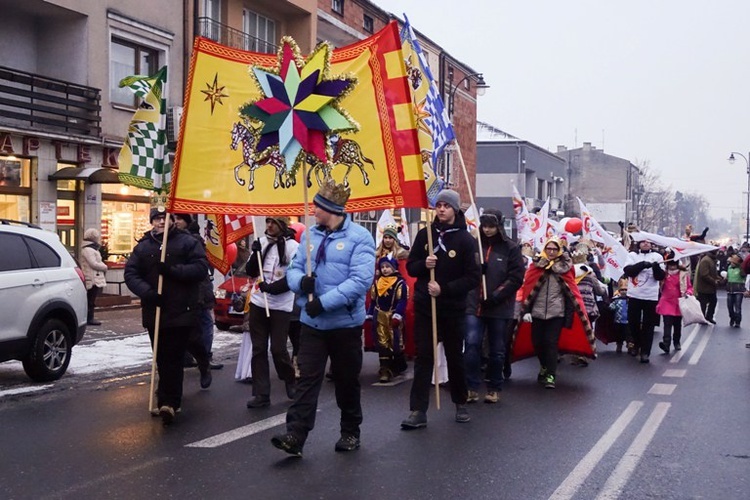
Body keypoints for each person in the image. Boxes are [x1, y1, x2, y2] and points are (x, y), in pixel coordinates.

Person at [271, 179, 375, 457]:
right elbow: (293, 269)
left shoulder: (361, 237)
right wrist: (300, 284)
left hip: (345, 326)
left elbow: (360, 281)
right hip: (312, 324)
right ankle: (296, 434)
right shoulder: (309, 236)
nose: (312, 210)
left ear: (331, 209)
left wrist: (324, 304)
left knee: (346, 381)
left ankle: (350, 431)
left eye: (317, 206)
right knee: (306, 379)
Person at [400, 189, 481, 429]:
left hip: (453, 308)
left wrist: (444, 289)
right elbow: (412, 267)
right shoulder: (425, 235)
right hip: (426, 306)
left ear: (455, 209)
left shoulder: (466, 240)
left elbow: (473, 277)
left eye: (446, 206)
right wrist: (424, 265)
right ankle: (417, 410)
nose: (442, 209)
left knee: (455, 356)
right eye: (439, 205)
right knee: (424, 357)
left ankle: (460, 402)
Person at [124, 208, 210, 425]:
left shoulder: (188, 242)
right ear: (152, 221)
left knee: (173, 356)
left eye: (165, 217)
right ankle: (168, 398)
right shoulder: (144, 246)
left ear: (173, 220)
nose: (161, 222)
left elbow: (200, 268)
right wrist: (148, 293)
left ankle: (169, 402)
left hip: (181, 310)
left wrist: (173, 271)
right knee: (160, 357)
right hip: (155, 311)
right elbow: (131, 273)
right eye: (157, 218)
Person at [514, 237, 594, 388]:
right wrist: (526, 310)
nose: (551, 252)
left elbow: (571, 293)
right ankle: (544, 366)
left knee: (551, 343)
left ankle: (551, 374)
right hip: (536, 313)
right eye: (549, 249)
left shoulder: (565, 268)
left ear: (559, 251)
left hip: (556, 313)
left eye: (554, 249)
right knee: (537, 343)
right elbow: (528, 289)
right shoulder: (536, 266)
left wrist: (569, 316)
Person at [464, 209, 524, 404]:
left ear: (499, 226)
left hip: (499, 307)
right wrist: (474, 270)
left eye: (492, 226)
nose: (488, 230)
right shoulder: (474, 245)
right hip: (474, 305)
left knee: (497, 349)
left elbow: (516, 278)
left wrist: (496, 295)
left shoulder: (511, 248)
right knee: (472, 344)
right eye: (485, 226)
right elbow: (463, 272)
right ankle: (471, 386)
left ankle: (494, 387)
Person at [244, 216, 299, 409]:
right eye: (267, 222)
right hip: (259, 302)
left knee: (278, 349)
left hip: (281, 305)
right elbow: (250, 271)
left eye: (273, 222)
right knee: (259, 349)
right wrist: (255, 255)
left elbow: (293, 277)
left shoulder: (293, 247)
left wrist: (273, 288)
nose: (269, 226)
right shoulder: (261, 242)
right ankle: (261, 394)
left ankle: (290, 379)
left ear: (282, 225)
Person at [172, 213, 218, 387]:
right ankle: (169, 392)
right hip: (171, 299)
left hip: (194, 295)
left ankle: (203, 360)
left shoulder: (193, 242)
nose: (176, 222)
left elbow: (199, 270)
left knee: (195, 332)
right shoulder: (161, 241)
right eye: (173, 218)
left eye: (180, 219)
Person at [366, 256, 409, 382]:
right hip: (380, 316)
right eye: (382, 267)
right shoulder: (377, 283)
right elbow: (373, 301)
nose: (385, 270)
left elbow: (402, 301)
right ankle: (384, 369)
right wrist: (369, 314)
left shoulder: (400, 283)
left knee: (396, 342)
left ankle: (398, 364)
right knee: (382, 342)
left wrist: (398, 315)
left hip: (393, 316)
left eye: (387, 267)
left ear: (393, 268)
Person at [622, 239, 665, 363]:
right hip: (634, 295)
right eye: (643, 242)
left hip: (650, 296)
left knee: (648, 325)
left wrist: (656, 268)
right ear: (639, 243)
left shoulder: (657, 256)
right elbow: (628, 271)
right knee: (633, 322)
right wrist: (642, 265)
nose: (646, 244)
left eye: (648, 242)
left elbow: (660, 276)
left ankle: (646, 351)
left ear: (652, 244)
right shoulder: (632, 255)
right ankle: (636, 344)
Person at [656, 250, 693, 353]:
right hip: (666, 302)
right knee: (667, 324)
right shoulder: (664, 275)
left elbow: (690, 287)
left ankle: (677, 342)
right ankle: (666, 344)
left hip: (678, 303)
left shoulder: (683, 275)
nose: (672, 267)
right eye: (670, 265)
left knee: (677, 325)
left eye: (674, 265)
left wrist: (688, 293)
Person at [80, 228, 108, 326]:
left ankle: (89, 317)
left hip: (93, 276)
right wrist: (104, 266)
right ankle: (89, 318)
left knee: (91, 299)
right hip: (92, 277)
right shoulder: (89, 250)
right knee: (90, 299)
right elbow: (93, 263)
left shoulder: (91, 249)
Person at [693, 250, 720, 324]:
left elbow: (711, 273)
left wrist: (718, 278)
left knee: (712, 302)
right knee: (704, 303)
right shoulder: (706, 260)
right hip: (704, 287)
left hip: (709, 287)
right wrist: (714, 281)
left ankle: (708, 317)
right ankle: (703, 317)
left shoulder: (710, 260)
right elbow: (704, 274)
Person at [609, 279, 630, 353]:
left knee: (628, 335)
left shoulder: (630, 300)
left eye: (625, 290)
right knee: (619, 335)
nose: (624, 291)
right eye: (622, 290)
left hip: (627, 321)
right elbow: (611, 307)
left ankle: (629, 346)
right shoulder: (616, 300)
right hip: (618, 321)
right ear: (619, 291)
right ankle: (619, 345)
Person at [725, 254, 745, 328]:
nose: (731, 263)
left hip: (739, 291)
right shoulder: (729, 268)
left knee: (738, 307)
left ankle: (737, 321)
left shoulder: (741, 269)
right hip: (730, 290)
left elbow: (743, 275)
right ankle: (732, 318)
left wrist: (741, 267)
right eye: (730, 262)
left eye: (732, 262)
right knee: (730, 307)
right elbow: (727, 278)